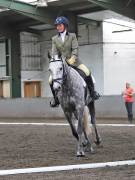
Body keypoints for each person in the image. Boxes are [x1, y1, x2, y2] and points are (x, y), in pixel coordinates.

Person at [49, 16, 100, 107]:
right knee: (50, 80)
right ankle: (56, 99)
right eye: (57, 26)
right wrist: (55, 60)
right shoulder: (54, 39)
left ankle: (93, 93)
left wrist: (72, 58)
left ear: (65, 26)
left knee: (87, 72)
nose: (58, 27)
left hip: (74, 61)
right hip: (61, 64)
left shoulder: (72, 36)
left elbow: (75, 49)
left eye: (60, 25)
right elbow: (54, 52)